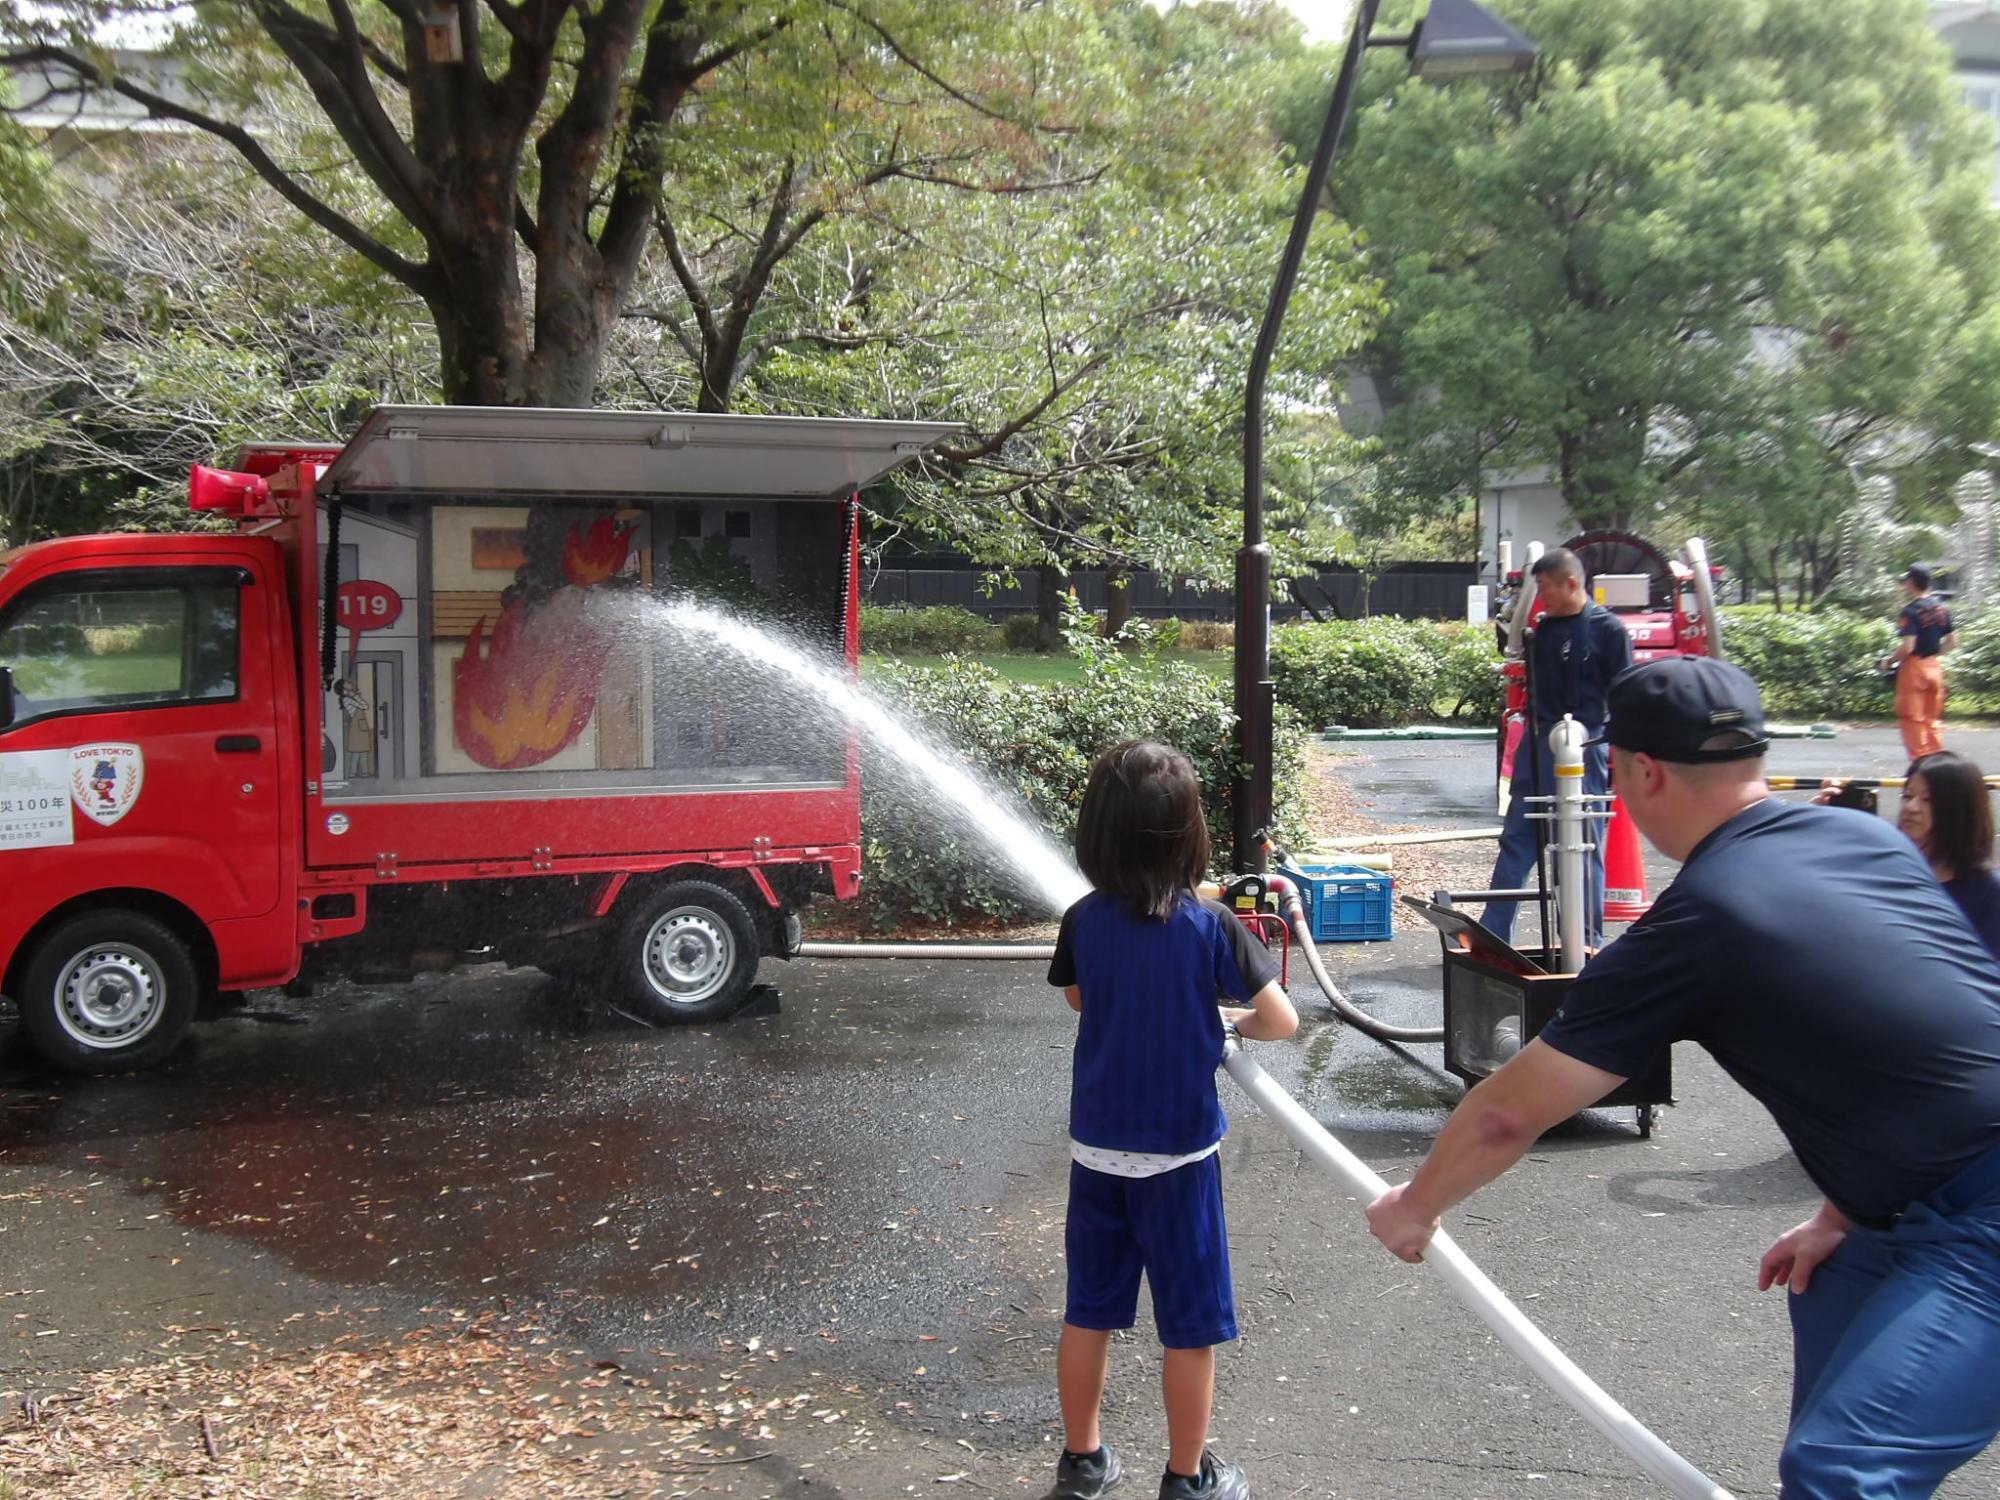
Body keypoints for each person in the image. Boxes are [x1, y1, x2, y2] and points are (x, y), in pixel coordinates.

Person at [1367, 656, 2000, 1497]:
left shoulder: (1700, 922)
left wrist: (1415, 1207)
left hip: (1981, 1223)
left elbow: (1505, 1115)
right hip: (1919, 1197)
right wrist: (1842, 1212)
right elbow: (1914, 1041)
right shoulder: (1868, 836)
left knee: (1845, 1468)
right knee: (1830, 1283)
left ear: (1643, 772)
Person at [1047, 739, 1298, 1500]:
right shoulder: (1210, 925)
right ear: (1190, 835)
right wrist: (1223, 1028)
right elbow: (1279, 1021)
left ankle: (1083, 1463)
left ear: (1097, 834)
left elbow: (1078, 997)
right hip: (1181, 1163)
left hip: (1097, 1155)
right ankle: (1187, 1477)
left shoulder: (1084, 919)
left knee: (1089, 1311)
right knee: (1189, 1326)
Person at [1482, 548, 1632, 947]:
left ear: (1571, 583)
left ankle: (1584, 940)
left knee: (1581, 844)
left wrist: (1622, 751)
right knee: (1518, 836)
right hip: (1539, 740)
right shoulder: (1543, 631)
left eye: (1546, 587)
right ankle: (1493, 935)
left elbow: (1624, 694)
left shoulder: (1608, 630)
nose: (1541, 596)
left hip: (1586, 745)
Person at [1902, 752, 2000, 959]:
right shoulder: (1885, 871)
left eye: (1927, 799)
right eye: (1907, 796)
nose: (1911, 808)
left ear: (1959, 811)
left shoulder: (1989, 892)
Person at [1893, 565, 1956, 760]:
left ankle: (1920, 769)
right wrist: (1934, 654)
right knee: (1932, 719)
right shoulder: (1942, 608)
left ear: (1911, 582)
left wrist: (1889, 661)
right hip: (1934, 667)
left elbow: (1908, 647)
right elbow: (1954, 641)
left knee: (1913, 719)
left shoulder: (1910, 611)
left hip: (1915, 668)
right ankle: (1938, 767)